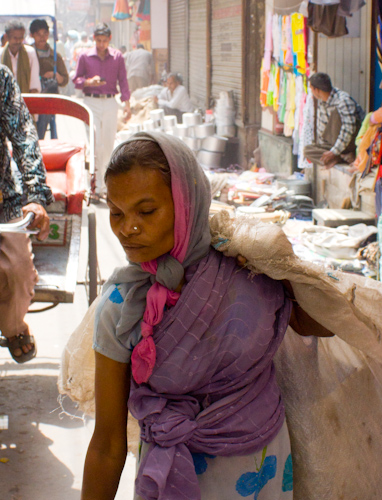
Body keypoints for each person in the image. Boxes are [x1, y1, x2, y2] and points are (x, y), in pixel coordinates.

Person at [81, 131, 334, 500]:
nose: (127, 228)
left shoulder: (247, 273)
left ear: (187, 204)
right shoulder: (123, 305)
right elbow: (106, 443)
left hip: (261, 470)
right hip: (171, 476)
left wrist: (285, 274)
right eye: (116, 213)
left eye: (146, 211)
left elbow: (322, 325)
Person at [0, 65, 53, 363]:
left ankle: (14, 327)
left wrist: (35, 196)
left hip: (4, 204)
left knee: (18, 271)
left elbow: (23, 135)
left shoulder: (1, 78)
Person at [73, 23, 131, 200]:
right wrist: (89, 82)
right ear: (94, 39)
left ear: (109, 39)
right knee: (96, 144)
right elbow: (76, 80)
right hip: (91, 102)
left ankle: (105, 185)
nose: (101, 44)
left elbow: (123, 80)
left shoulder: (117, 57)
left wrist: (127, 104)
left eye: (104, 41)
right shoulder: (85, 56)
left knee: (108, 145)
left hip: (110, 103)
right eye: (98, 40)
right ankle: (96, 187)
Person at [304, 72, 365, 169]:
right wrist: (328, 150)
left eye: (311, 89)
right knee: (307, 150)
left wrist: (334, 151)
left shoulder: (342, 100)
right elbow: (322, 132)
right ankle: (341, 157)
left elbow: (349, 129)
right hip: (335, 145)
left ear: (316, 90)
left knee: (335, 113)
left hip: (349, 142)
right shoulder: (323, 103)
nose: (311, 91)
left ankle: (341, 155)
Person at [29, 19, 69, 140]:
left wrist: (55, 75)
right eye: (38, 34)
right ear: (32, 35)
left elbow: (65, 80)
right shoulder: (26, 54)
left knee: (44, 120)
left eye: (45, 34)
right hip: (29, 96)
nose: (42, 38)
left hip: (48, 99)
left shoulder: (55, 56)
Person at [0, 20, 41, 93]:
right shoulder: (1, 54)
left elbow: (34, 83)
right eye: (15, 38)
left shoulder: (30, 53)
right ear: (6, 37)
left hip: (25, 100)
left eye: (21, 38)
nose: (18, 41)